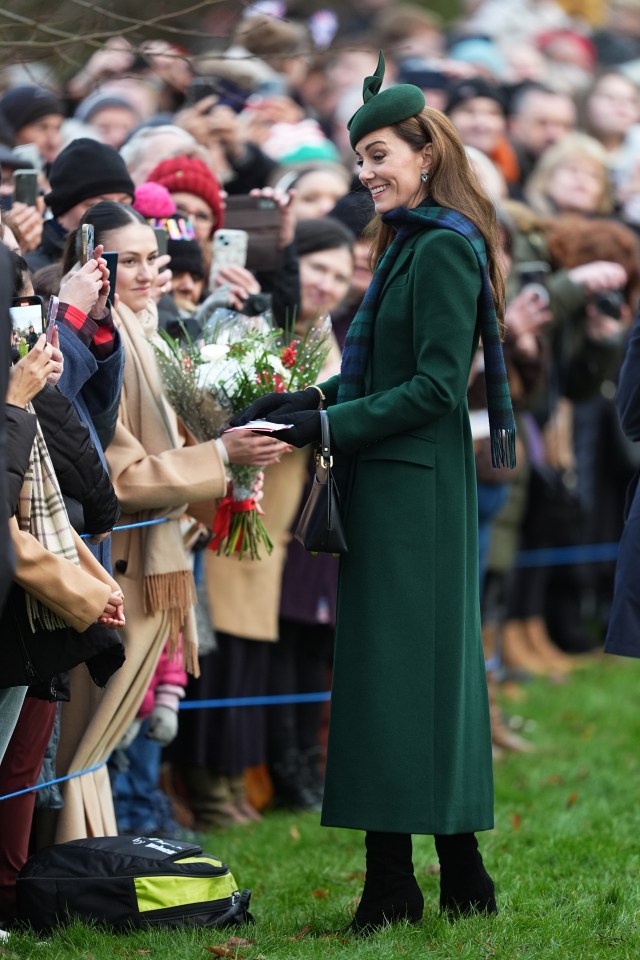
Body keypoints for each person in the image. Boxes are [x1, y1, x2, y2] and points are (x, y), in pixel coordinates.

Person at [232, 51, 516, 931]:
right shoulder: (411, 241)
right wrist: (308, 400)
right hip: (394, 485)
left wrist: (324, 428)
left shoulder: (441, 249)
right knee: (400, 683)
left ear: (425, 155)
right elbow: (375, 373)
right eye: (360, 158)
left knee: (401, 683)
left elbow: (434, 389)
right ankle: (450, 873)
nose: (367, 173)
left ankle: (397, 882)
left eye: (380, 155)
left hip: (416, 495)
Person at [52, 200, 284, 842]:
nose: (150, 272)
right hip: (119, 562)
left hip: (159, 553)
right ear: (91, 266)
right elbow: (119, 476)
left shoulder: (144, 325)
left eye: (155, 257)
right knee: (87, 735)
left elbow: (167, 450)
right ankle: (70, 858)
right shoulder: (104, 335)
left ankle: (93, 852)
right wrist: (221, 456)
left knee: (110, 732)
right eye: (129, 261)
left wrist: (231, 471)